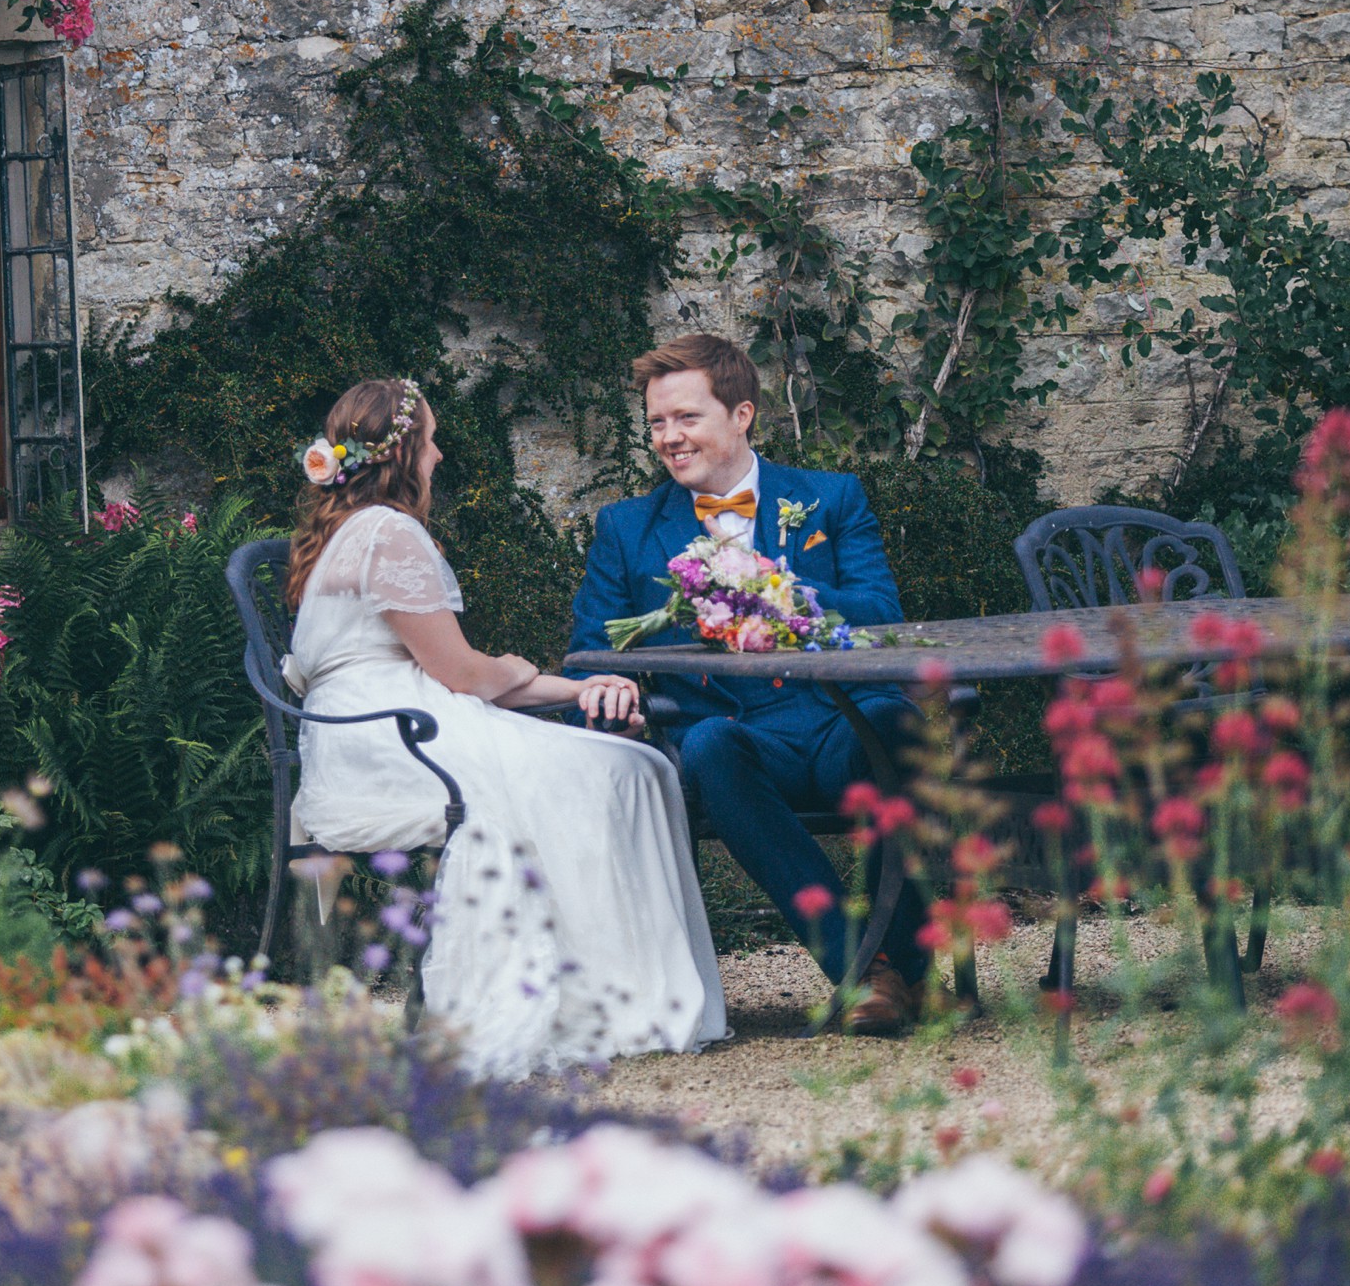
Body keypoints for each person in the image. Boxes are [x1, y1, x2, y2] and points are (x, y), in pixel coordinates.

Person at [284, 375, 728, 1079]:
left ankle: (616, 988)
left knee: (625, 766)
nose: (438, 456)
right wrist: (517, 666)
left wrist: (578, 687)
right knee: (615, 768)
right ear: (401, 454)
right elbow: (464, 676)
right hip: (398, 741)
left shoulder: (351, 532)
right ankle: (612, 998)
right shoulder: (388, 534)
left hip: (386, 728)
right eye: (430, 442)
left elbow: (453, 678)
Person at [568, 332, 928, 1036]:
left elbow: (882, 613)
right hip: (738, 740)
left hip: (839, 722)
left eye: (686, 418)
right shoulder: (626, 529)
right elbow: (587, 649)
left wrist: (779, 590)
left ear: (742, 415)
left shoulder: (828, 499)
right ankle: (864, 972)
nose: (668, 438)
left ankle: (911, 964)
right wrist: (611, 683)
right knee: (706, 747)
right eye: (657, 424)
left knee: (898, 725)